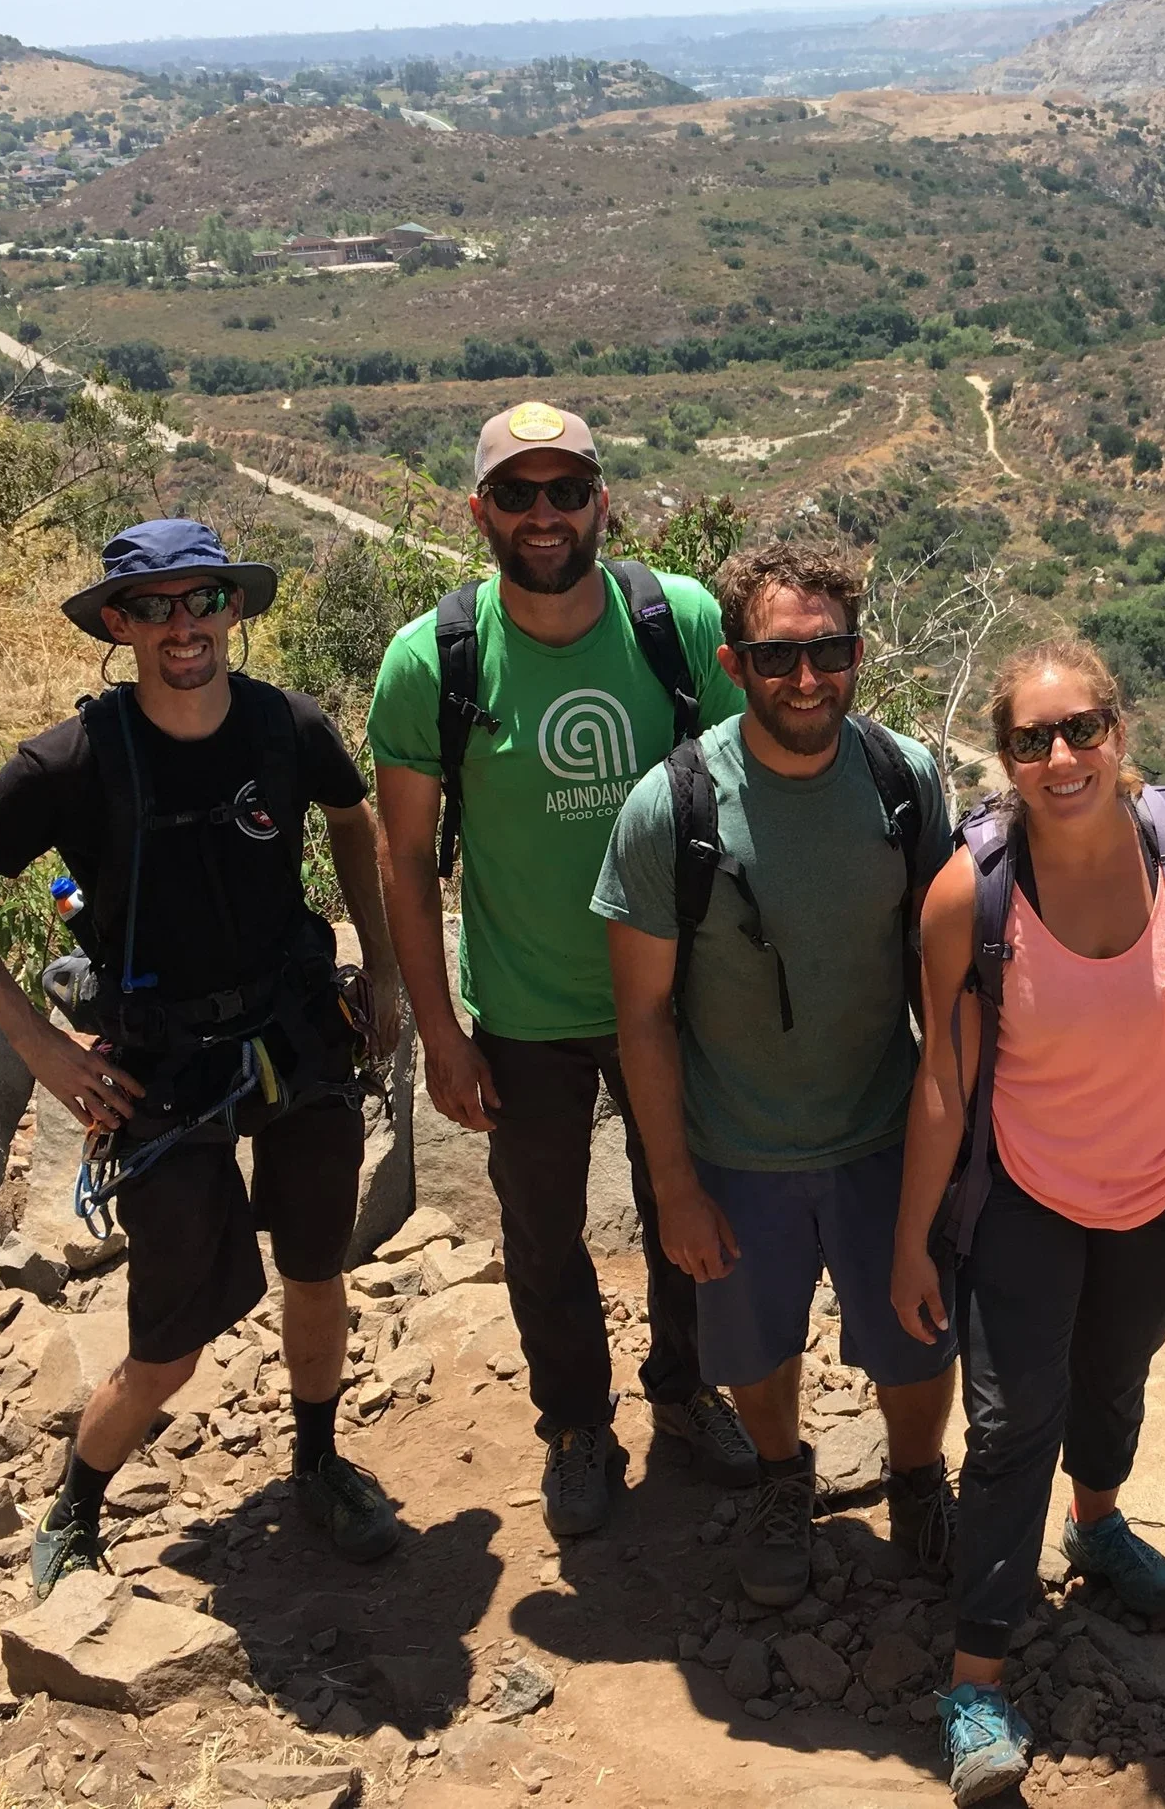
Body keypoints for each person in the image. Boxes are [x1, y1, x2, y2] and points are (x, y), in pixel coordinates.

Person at [0, 518, 408, 1596]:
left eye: (203, 599)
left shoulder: (286, 727)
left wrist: (381, 967)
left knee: (316, 1270)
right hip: (161, 1066)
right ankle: (78, 1502)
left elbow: (353, 823)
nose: (184, 626)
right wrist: (39, 1047)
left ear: (234, 607)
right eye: (155, 606)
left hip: (295, 1031)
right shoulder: (71, 760)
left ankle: (318, 1462)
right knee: (172, 1338)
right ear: (119, 625)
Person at [891, 637, 1165, 1806]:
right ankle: (975, 1680)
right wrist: (911, 1239)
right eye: (1031, 740)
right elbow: (944, 1083)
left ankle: (1098, 1526)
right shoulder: (970, 896)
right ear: (1005, 757)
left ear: (1120, 732)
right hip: (1029, 1185)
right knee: (1012, 1422)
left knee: (1114, 1373)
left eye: (1081, 730)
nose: (1060, 757)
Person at [368, 402, 758, 1537]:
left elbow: (751, 793)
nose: (544, 515)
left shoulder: (675, 622)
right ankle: (577, 1426)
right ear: (480, 510)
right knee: (541, 1233)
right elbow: (403, 858)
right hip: (524, 1009)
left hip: (674, 996)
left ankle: (685, 1392)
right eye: (517, 493)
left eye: (567, 490)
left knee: (690, 1203)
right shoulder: (431, 659)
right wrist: (440, 1033)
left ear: (603, 503)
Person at [594, 537, 959, 1611]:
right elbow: (641, 1014)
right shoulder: (671, 806)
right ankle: (779, 1478)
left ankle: (916, 1480)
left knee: (916, 1336)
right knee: (753, 1347)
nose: (806, 678)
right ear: (732, 663)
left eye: (828, 652)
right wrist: (674, 1187)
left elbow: (943, 981)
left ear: (857, 653)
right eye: (776, 657)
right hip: (736, 1144)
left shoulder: (902, 779)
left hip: (883, 1130)